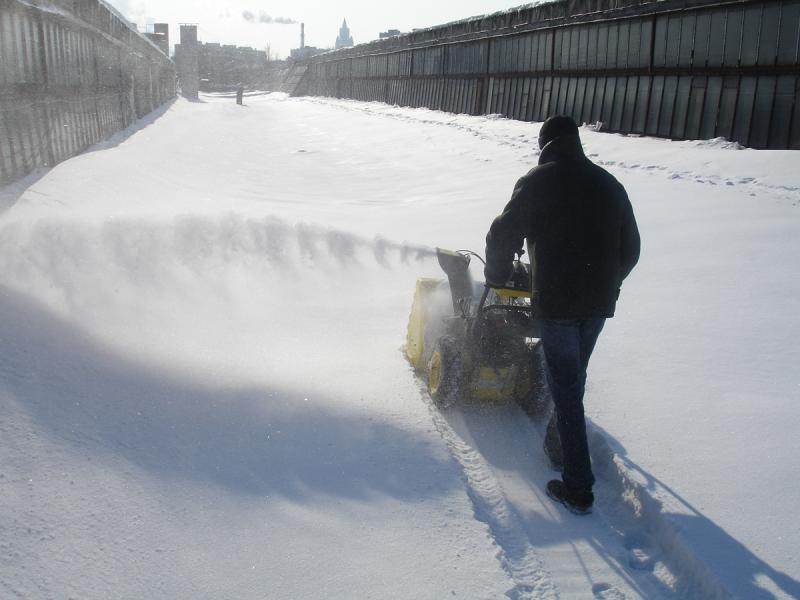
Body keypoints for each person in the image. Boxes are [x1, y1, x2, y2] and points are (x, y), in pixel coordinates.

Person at [484, 115, 640, 514]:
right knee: (574, 378)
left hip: (557, 303)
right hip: (597, 304)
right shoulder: (608, 184)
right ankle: (559, 445)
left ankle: (578, 486)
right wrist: (609, 282)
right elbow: (632, 248)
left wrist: (497, 274)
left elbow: (503, 233)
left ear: (545, 145)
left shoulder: (538, 180)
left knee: (566, 390)